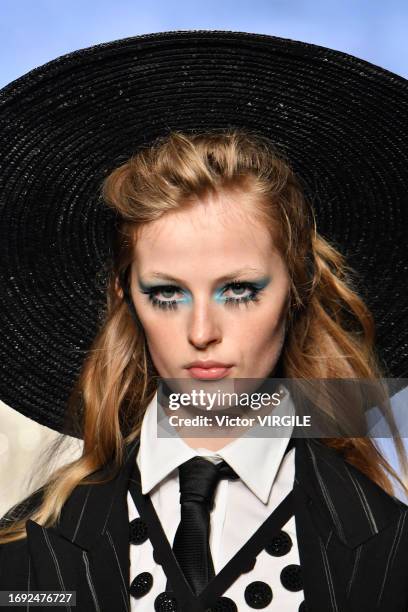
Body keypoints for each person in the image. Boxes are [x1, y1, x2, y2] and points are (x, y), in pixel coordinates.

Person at [0, 31, 408, 612]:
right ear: (126, 298)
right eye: (166, 294)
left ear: (298, 288)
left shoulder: (390, 548)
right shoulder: (24, 557)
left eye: (239, 290)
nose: (201, 333)